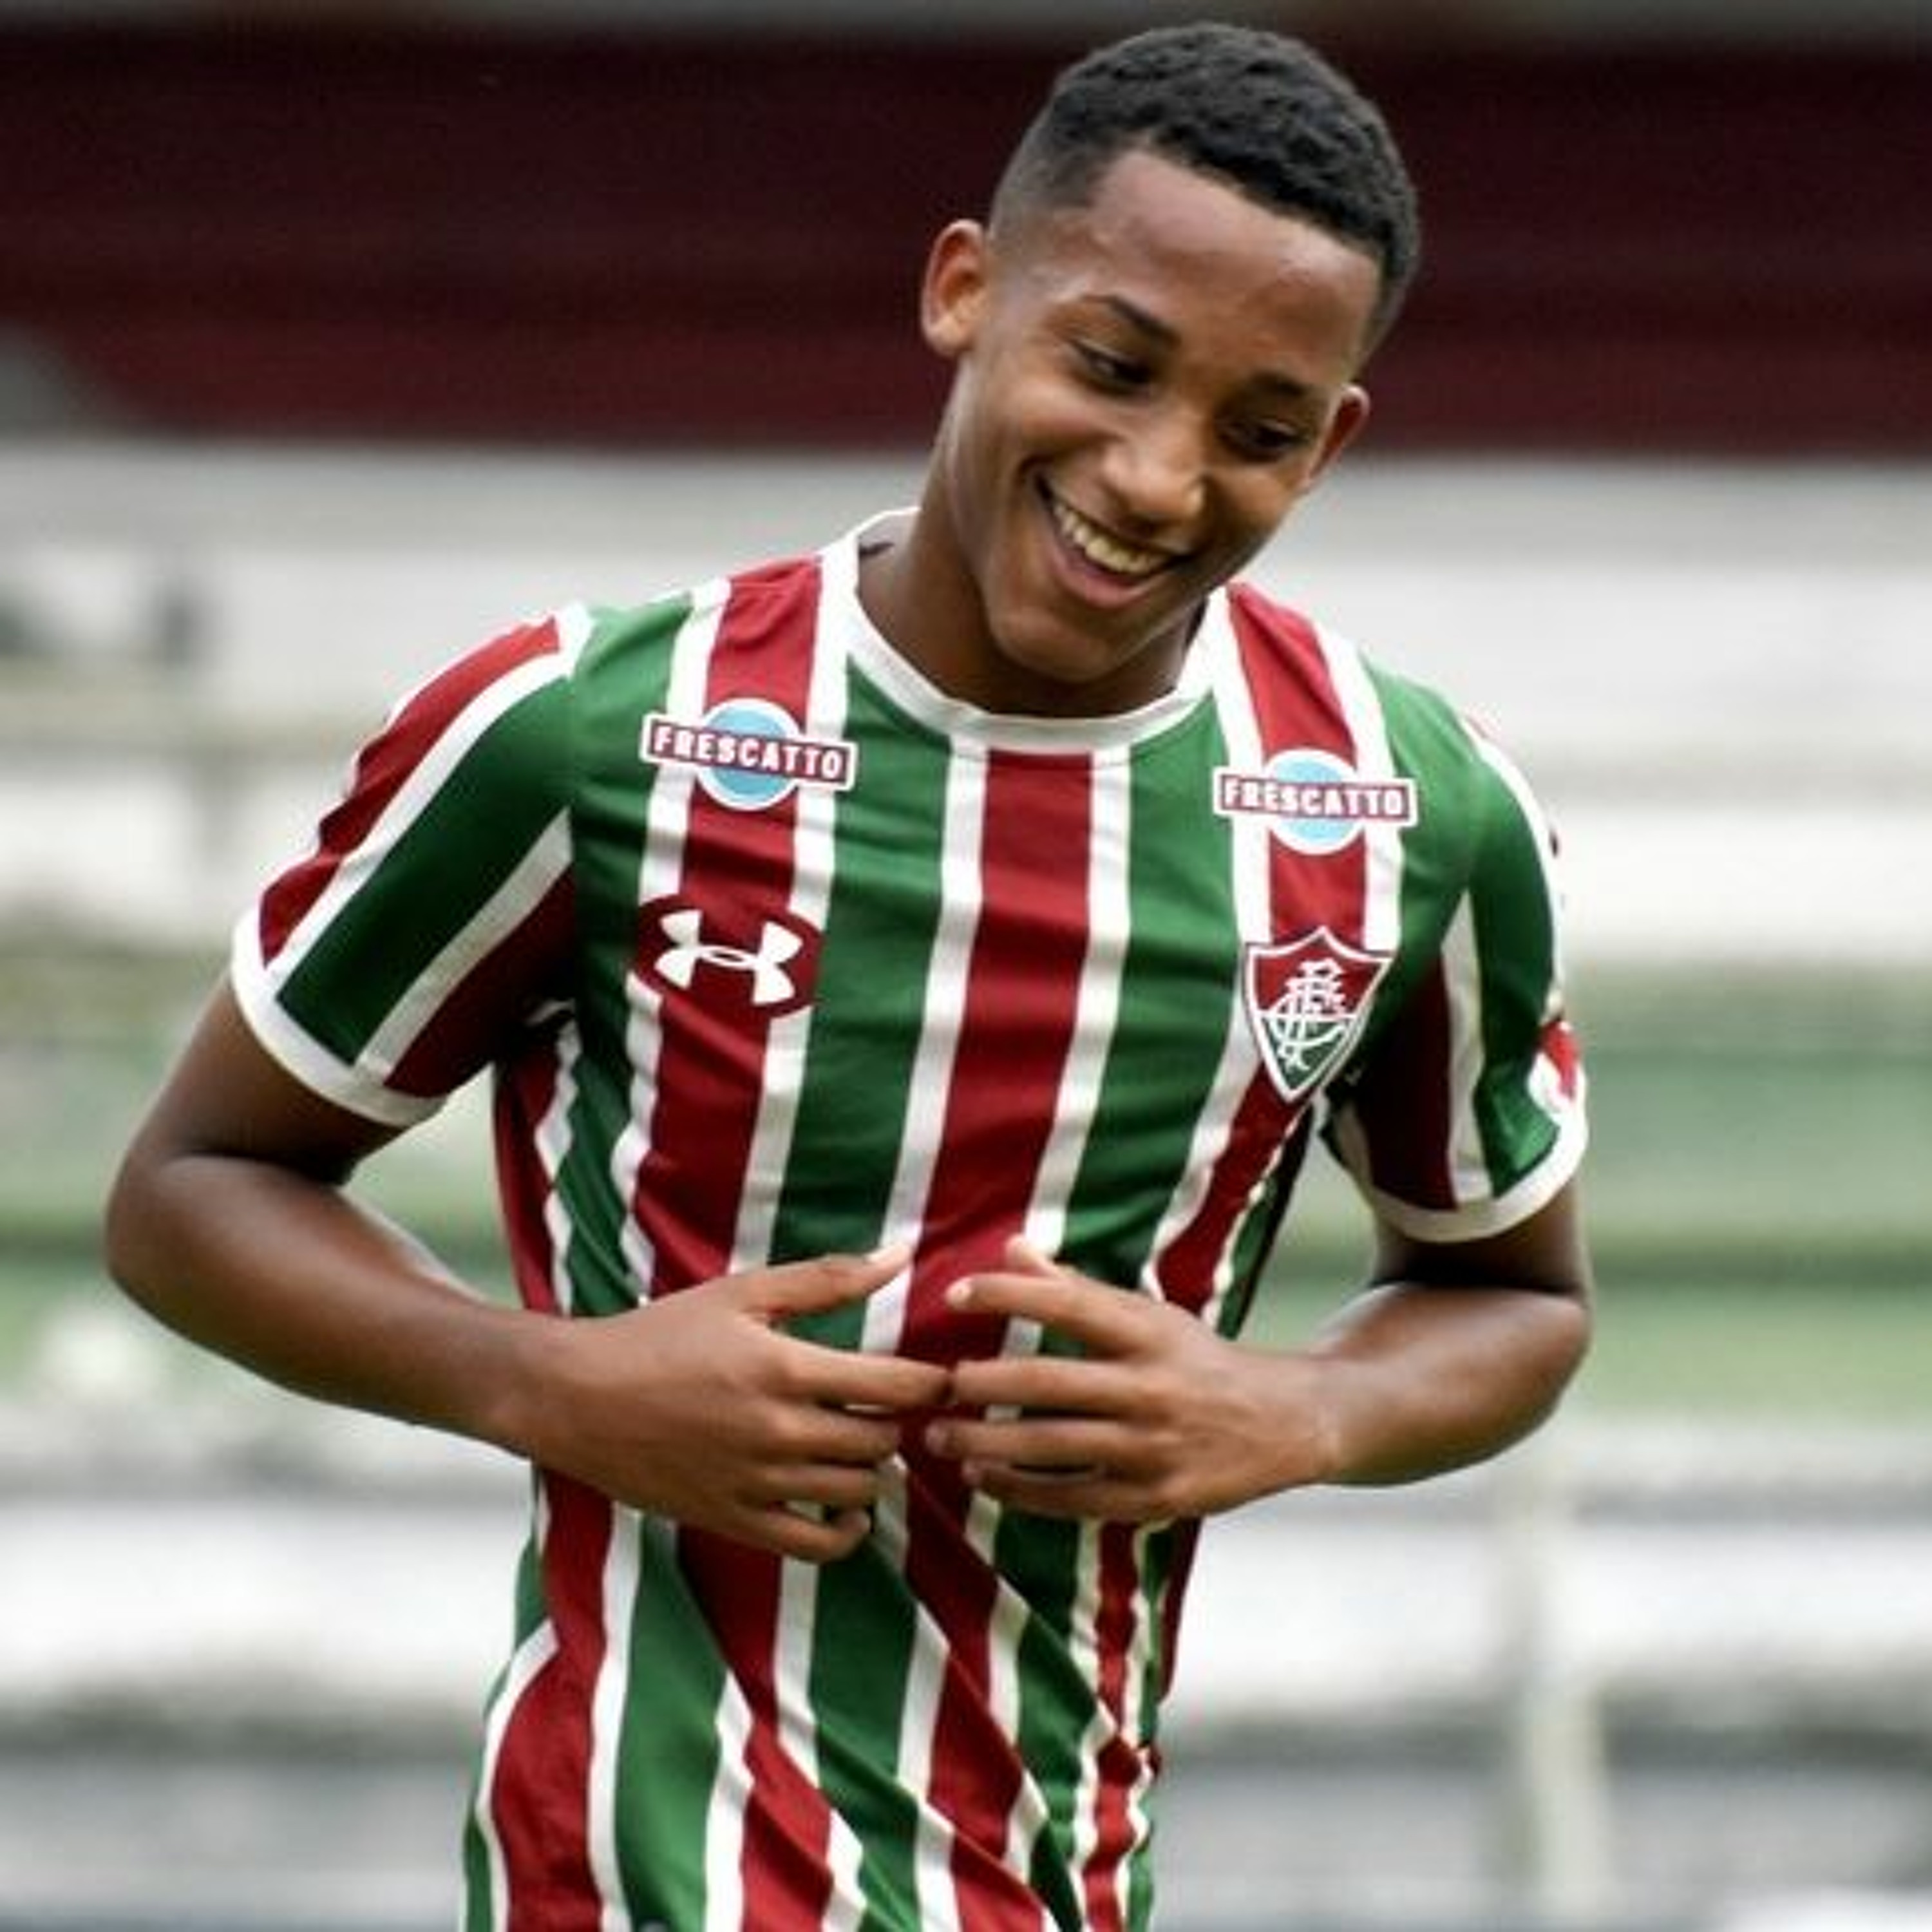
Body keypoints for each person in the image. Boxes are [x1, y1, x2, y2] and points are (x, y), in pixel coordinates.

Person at [106, 21, 1591, 1931]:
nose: (1157, 477)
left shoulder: (1404, 814)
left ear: (1335, 440)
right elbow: (191, 1190)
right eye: (1112, 365)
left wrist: (1297, 1413)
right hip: (628, 1871)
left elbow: (1512, 1296)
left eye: (1259, 429)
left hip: (1060, 1878)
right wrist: (543, 1381)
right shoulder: (590, 734)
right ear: (965, 290)